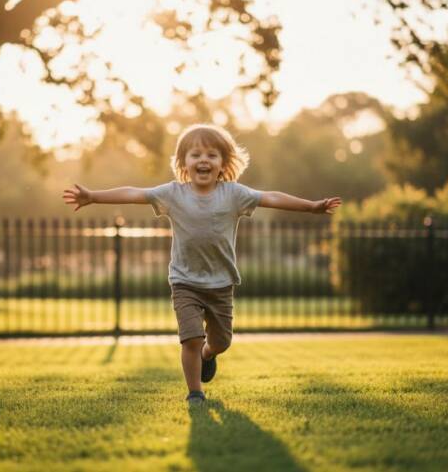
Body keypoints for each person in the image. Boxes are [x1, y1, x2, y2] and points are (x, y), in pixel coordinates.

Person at [62, 123, 341, 405]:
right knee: (191, 339)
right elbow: (135, 193)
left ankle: (210, 354)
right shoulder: (173, 194)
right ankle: (195, 392)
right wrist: (93, 196)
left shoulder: (234, 194)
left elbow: (271, 197)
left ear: (223, 163)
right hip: (185, 281)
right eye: (195, 155)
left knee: (221, 342)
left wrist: (312, 206)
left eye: (211, 155)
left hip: (221, 283)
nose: (203, 160)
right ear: (184, 163)